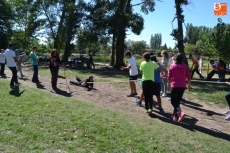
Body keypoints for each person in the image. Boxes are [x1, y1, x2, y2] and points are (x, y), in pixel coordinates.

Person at [168, 53, 191, 122]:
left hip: (175, 86)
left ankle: (180, 112)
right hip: (182, 86)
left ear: (175, 59)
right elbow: (189, 77)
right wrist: (189, 86)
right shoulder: (185, 67)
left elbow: (169, 77)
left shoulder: (172, 66)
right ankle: (175, 116)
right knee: (177, 102)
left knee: (173, 101)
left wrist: (169, 85)